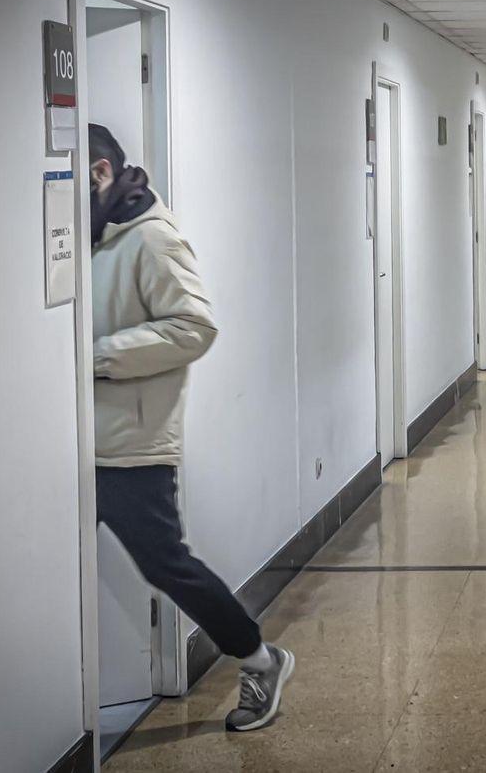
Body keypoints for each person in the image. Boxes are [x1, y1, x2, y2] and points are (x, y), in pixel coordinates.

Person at [89, 124, 294, 731]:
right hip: (68, 441)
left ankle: (261, 659)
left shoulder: (151, 238)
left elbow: (194, 328)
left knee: (165, 565)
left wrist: (97, 356)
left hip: (130, 445)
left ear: (100, 173)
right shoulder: (85, 236)